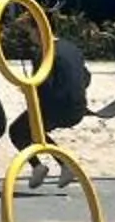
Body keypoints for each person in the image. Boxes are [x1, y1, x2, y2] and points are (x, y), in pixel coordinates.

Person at [7, 30, 92, 187]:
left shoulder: (44, 53)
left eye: (29, 31)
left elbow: (42, 86)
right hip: (78, 107)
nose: (29, 36)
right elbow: (86, 78)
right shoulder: (72, 47)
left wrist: (27, 89)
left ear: (37, 30)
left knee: (17, 131)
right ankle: (60, 165)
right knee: (33, 130)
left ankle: (41, 166)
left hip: (57, 109)